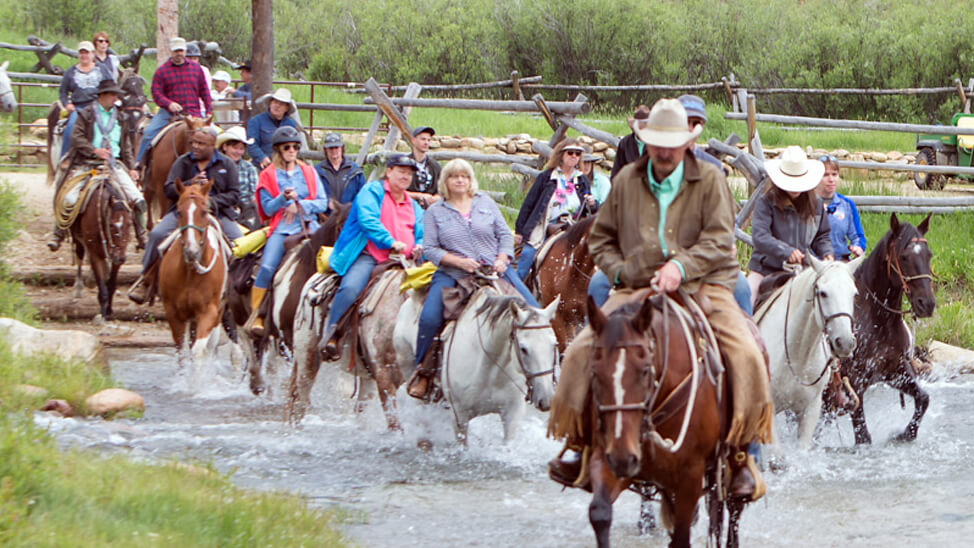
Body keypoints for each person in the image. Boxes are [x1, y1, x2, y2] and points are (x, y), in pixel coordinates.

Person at [547, 98, 772, 501]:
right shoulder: (628, 181)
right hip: (637, 285)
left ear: (687, 142)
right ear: (646, 142)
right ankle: (579, 445)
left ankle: (742, 455)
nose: (665, 152)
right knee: (581, 351)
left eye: (673, 143)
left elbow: (719, 239)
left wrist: (680, 269)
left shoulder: (710, 177)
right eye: (658, 144)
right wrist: (622, 271)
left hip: (701, 284)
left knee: (747, 352)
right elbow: (600, 237)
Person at [405, 159, 540, 399]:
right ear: (445, 181)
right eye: (454, 176)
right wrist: (459, 262)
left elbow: (504, 235)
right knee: (429, 318)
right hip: (453, 274)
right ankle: (423, 373)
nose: (460, 180)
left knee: (534, 310)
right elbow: (431, 249)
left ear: (470, 180)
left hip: (495, 270)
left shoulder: (485, 203)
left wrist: (502, 258)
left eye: (464, 176)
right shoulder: (436, 211)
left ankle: (543, 372)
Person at [320, 154, 425, 357]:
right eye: (401, 171)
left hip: (406, 260)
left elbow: (421, 228)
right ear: (389, 171)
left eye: (409, 173)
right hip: (371, 254)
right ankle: (332, 332)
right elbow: (368, 220)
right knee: (351, 288)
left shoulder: (413, 204)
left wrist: (419, 245)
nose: (406, 176)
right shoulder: (371, 191)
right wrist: (390, 241)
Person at [128, 127, 242, 304]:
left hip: (217, 213)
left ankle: (238, 286)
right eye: (193, 142)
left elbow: (235, 194)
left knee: (240, 242)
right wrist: (190, 184)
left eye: (200, 143)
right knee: (157, 234)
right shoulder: (182, 163)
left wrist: (210, 202)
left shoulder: (226, 165)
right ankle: (146, 279)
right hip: (183, 213)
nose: (195, 146)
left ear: (212, 145)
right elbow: (168, 189)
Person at [47, 80, 147, 251]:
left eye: (117, 95)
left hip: (114, 165)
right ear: (102, 96)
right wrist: (94, 151)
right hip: (87, 163)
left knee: (137, 198)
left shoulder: (121, 117)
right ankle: (59, 232)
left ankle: (141, 234)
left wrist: (131, 167)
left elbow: (126, 146)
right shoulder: (86, 114)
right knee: (69, 197)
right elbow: (77, 137)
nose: (116, 98)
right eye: (112, 95)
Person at [248, 126, 329, 336]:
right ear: (278, 150)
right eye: (287, 147)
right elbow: (266, 208)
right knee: (266, 267)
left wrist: (301, 205)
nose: (292, 150)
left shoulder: (309, 172)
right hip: (282, 228)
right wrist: (283, 199)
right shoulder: (267, 175)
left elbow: (322, 202)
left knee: (334, 262)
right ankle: (258, 313)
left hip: (310, 226)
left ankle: (334, 313)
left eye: (295, 147)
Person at [746, 145, 833, 303]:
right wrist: (786, 251)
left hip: (803, 269)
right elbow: (760, 236)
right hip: (765, 269)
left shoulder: (816, 203)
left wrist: (827, 253)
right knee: (746, 300)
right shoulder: (766, 202)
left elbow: (822, 235)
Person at [513, 138, 595, 281]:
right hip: (546, 226)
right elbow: (529, 204)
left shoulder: (582, 180)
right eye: (570, 152)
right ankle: (516, 288)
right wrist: (520, 231)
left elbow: (590, 210)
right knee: (528, 253)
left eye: (577, 153)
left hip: (573, 227)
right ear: (561, 155)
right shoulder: (546, 177)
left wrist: (592, 204)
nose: (574, 156)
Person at [136, 37, 212, 164]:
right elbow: (156, 93)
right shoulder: (162, 71)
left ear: (185, 51)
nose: (179, 53)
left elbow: (204, 91)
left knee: (213, 135)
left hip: (194, 113)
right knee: (148, 133)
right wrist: (169, 104)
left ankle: (215, 167)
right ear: (171, 51)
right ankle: (139, 165)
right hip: (168, 114)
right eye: (176, 51)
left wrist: (209, 110)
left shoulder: (196, 69)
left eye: (181, 50)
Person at [58, 41, 112, 160]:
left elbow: (111, 85)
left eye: (86, 53)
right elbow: (62, 91)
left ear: (93, 54)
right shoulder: (70, 72)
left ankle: (118, 157)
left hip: (99, 106)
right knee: (71, 127)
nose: (84, 56)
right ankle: (65, 158)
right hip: (79, 107)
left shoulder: (102, 69)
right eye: (81, 53)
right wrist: (67, 104)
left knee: (115, 125)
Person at [816, 155, 866, 261]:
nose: (831, 179)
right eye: (825, 175)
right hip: (816, 262)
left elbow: (857, 236)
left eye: (834, 174)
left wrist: (858, 247)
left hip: (841, 262)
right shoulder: (807, 203)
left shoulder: (847, 205)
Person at [216, 126, 259, 229]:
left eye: (241, 149)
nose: (238, 152)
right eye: (235, 148)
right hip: (221, 208)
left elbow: (254, 193)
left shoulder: (249, 168)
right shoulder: (215, 167)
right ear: (225, 147)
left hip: (245, 210)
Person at [246, 88, 298, 169]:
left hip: (284, 165)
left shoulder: (290, 124)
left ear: (286, 108)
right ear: (270, 103)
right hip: (261, 165)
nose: (277, 106)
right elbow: (251, 144)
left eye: (281, 104)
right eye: (275, 102)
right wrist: (262, 157)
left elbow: (294, 146)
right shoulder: (256, 121)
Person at [314, 132, 365, 204]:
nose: (334, 151)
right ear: (325, 149)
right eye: (331, 148)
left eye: (336, 147)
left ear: (342, 148)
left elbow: (363, 196)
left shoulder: (355, 171)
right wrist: (327, 203)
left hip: (349, 214)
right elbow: (313, 195)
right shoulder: (317, 171)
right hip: (325, 214)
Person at [678, 94, 725, 172]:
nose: (690, 128)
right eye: (685, 122)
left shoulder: (714, 167)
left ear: (702, 126)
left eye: (695, 124)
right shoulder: (661, 161)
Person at [610, 104, 649, 178]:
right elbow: (616, 172)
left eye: (646, 123)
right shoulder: (625, 143)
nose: (644, 126)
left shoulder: (655, 143)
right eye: (642, 123)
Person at [407, 126, 441, 207]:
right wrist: (419, 196)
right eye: (423, 139)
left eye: (428, 140)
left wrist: (435, 198)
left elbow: (443, 191)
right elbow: (396, 192)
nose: (426, 142)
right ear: (413, 141)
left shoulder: (435, 166)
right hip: (408, 207)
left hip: (431, 208)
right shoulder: (404, 164)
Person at [185, 42, 213, 116]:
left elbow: (205, 91)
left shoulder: (204, 71)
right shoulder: (179, 70)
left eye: (195, 58)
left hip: (200, 109)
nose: (193, 61)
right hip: (181, 108)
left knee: (209, 127)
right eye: (190, 58)